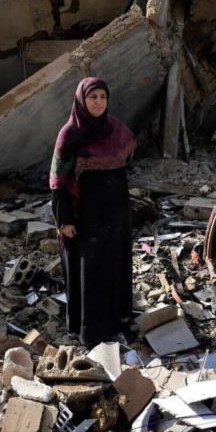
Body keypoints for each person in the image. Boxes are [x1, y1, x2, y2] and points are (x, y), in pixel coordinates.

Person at [49, 77, 136, 346]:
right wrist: (64, 219)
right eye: (92, 97)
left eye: (102, 97)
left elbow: (128, 156)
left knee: (115, 267)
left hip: (116, 212)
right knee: (89, 270)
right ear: (81, 100)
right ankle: (90, 331)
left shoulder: (115, 128)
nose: (98, 103)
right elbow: (59, 180)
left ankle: (116, 324)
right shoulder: (70, 134)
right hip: (85, 214)